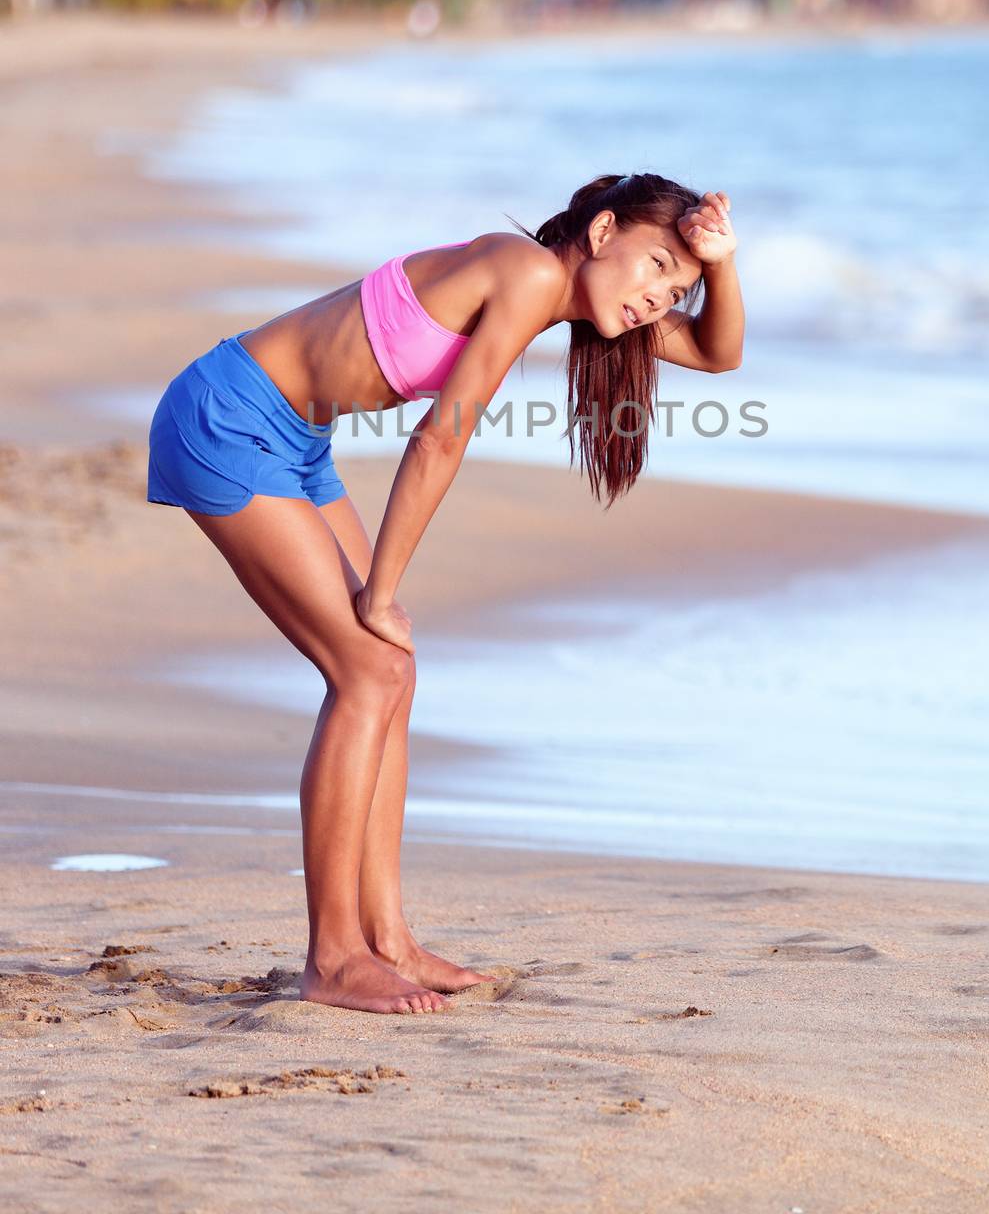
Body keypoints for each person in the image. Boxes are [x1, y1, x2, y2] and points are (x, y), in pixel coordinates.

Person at [146, 171, 744, 1014]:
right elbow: (437, 441)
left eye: (672, 288)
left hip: (296, 436)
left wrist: (718, 266)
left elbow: (720, 354)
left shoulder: (560, 297)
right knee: (371, 669)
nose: (657, 298)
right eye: (654, 266)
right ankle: (332, 957)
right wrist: (380, 591)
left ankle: (386, 938)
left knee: (392, 669)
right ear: (602, 232)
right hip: (229, 417)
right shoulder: (529, 272)